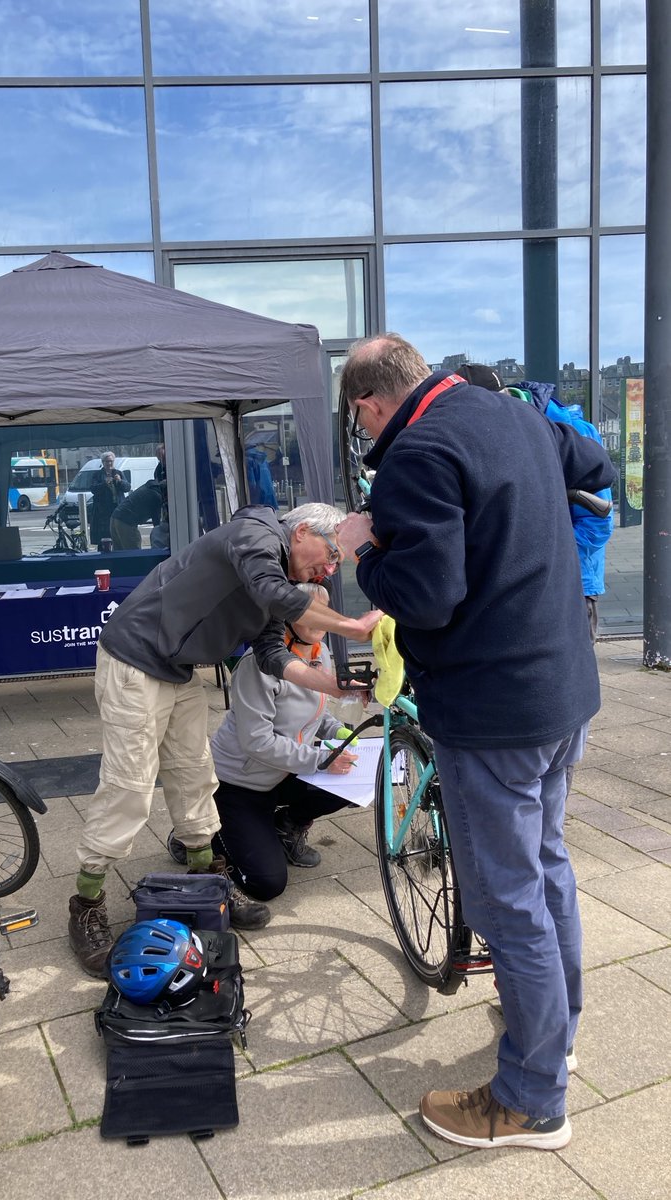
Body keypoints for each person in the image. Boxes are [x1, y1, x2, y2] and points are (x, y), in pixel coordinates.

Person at [335, 334, 615, 1151]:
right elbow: (594, 462)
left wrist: (365, 550)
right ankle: (556, 1022)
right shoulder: (512, 413)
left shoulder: (415, 454)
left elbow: (424, 597)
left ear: (368, 406)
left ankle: (531, 1099)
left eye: (361, 420)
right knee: (548, 863)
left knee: (506, 899)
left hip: (495, 715)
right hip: (565, 694)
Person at [67, 501, 383, 976]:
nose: (331, 568)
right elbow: (271, 592)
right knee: (130, 787)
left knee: (196, 774)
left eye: (337, 563)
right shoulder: (256, 535)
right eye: (332, 553)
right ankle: (86, 902)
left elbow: (275, 653)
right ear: (301, 533)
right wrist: (353, 625)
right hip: (133, 658)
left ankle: (207, 878)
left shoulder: (276, 578)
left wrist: (337, 687)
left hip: (177, 668)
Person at [167, 582, 359, 901]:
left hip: (284, 773)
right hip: (239, 783)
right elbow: (258, 742)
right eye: (308, 612)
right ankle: (201, 833)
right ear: (285, 618)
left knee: (352, 781)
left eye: (324, 612)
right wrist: (321, 760)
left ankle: (285, 827)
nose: (320, 621)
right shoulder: (258, 666)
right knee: (266, 884)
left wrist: (342, 735)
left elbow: (314, 716)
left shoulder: (319, 653)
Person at [457, 365, 615, 645]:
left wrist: (534, 561)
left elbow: (598, 523)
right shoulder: (499, 431)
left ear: (499, 400)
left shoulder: (570, 431)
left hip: (571, 585)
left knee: (569, 681)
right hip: (518, 587)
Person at [109, 478, 165, 550]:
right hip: (127, 522)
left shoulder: (149, 487)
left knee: (118, 553)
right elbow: (156, 523)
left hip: (115, 517)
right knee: (134, 553)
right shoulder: (156, 497)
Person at [90, 451, 130, 545]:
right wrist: (104, 484)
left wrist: (120, 481)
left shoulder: (119, 473)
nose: (109, 463)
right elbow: (93, 489)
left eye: (111, 461)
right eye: (107, 461)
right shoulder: (97, 475)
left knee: (118, 534)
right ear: (103, 462)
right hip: (103, 511)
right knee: (105, 536)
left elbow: (127, 488)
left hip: (117, 508)